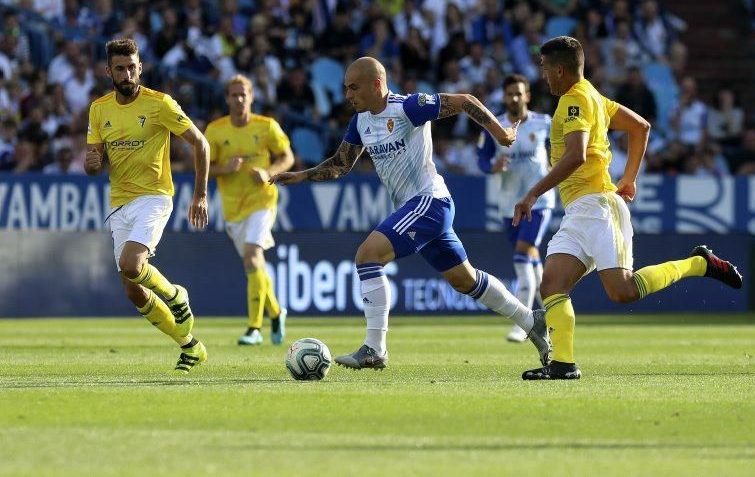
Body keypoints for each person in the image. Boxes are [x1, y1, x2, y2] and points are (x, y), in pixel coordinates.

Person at [272, 57, 552, 371]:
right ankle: (531, 321)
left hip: (428, 201)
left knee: (367, 256)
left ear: (376, 85)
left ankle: (374, 348)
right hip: (420, 208)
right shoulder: (361, 121)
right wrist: (301, 176)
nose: (348, 95)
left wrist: (499, 133)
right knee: (465, 280)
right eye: (345, 88)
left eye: (354, 87)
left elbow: (464, 101)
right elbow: (340, 164)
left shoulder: (408, 107)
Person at [512, 37, 743, 380]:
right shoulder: (594, 96)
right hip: (579, 210)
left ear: (559, 69)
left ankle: (699, 263)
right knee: (552, 284)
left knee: (622, 291)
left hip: (598, 207)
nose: (543, 75)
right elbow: (641, 127)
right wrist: (630, 178)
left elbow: (576, 155)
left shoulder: (573, 101)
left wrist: (532, 193)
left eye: (545, 67)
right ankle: (563, 365)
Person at [85, 38, 210, 373]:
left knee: (131, 263)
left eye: (132, 67)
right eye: (120, 68)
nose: (127, 74)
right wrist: (92, 162)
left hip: (154, 196)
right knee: (133, 291)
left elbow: (201, 143)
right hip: (119, 202)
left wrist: (200, 194)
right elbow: (93, 162)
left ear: (140, 67)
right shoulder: (99, 109)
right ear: (108, 71)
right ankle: (190, 346)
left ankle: (176, 296)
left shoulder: (161, 104)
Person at [205, 74, 294, 346]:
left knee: (252, 257)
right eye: (234, 95)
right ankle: (277, 313)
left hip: (262, 201)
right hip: (234, 209)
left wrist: (269, 172)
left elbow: (288, 157)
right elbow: (204, 168)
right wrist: (224, 169)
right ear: (227, 99)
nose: (239, 99)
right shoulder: (216, 130)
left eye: (244, 94)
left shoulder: (267, 126)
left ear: (252, 97)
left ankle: (254, 328)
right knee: (255, 265)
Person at [476, 74, 555, 343]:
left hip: (538, 201)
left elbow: (560, 151)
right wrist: (492, 167)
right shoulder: (493, 126)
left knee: (523, 253)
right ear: (503, 97)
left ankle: (523, 324)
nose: (514, 98)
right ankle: (552, 317)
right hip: (507, 204)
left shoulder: (544, 123)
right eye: (509, 94)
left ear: (527, 96)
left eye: (518, 93)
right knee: (531, 261)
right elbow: (482, 159)